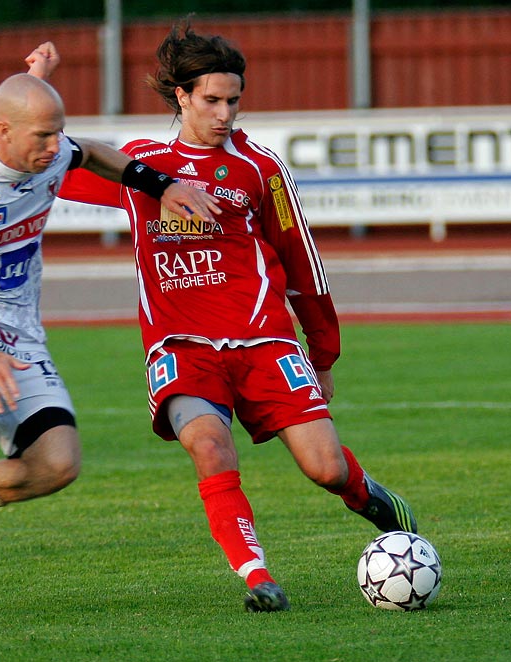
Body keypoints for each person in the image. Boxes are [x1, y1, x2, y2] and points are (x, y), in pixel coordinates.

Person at [47, 22, 418, 613]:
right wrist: (35, 91)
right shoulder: (140, 166)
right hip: (181, 347)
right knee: (210, 446)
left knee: (324, 468)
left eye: (233, 100)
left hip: (265, 340)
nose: (224, 113)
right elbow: (49, 165)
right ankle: (257, 576)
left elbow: (303, 265)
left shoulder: (259, 169)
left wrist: (321, 354)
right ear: (182, 97)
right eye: (212, 100)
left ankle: (375, 500)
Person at [0, 47, 220, 623]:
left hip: (20, 330)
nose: (53, 148)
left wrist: (160, 185)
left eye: (56, 134)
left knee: (58, 464)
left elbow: (92, 153)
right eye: (41, 136)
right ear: (4, 131)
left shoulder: (51, 148)